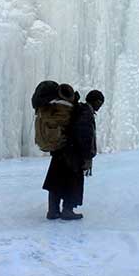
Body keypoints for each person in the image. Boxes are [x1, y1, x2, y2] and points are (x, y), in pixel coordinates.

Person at [43, 87, 105, 220]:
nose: (100, 106)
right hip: (72, 155)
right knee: (72, 183)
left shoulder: (77, 109)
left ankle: (53, 211)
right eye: (100, 102)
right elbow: (84, 135)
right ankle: (67, 211)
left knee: (56, 181)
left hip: (61, 151)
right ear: (96, 101)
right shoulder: (85, 113)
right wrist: (87, 156)